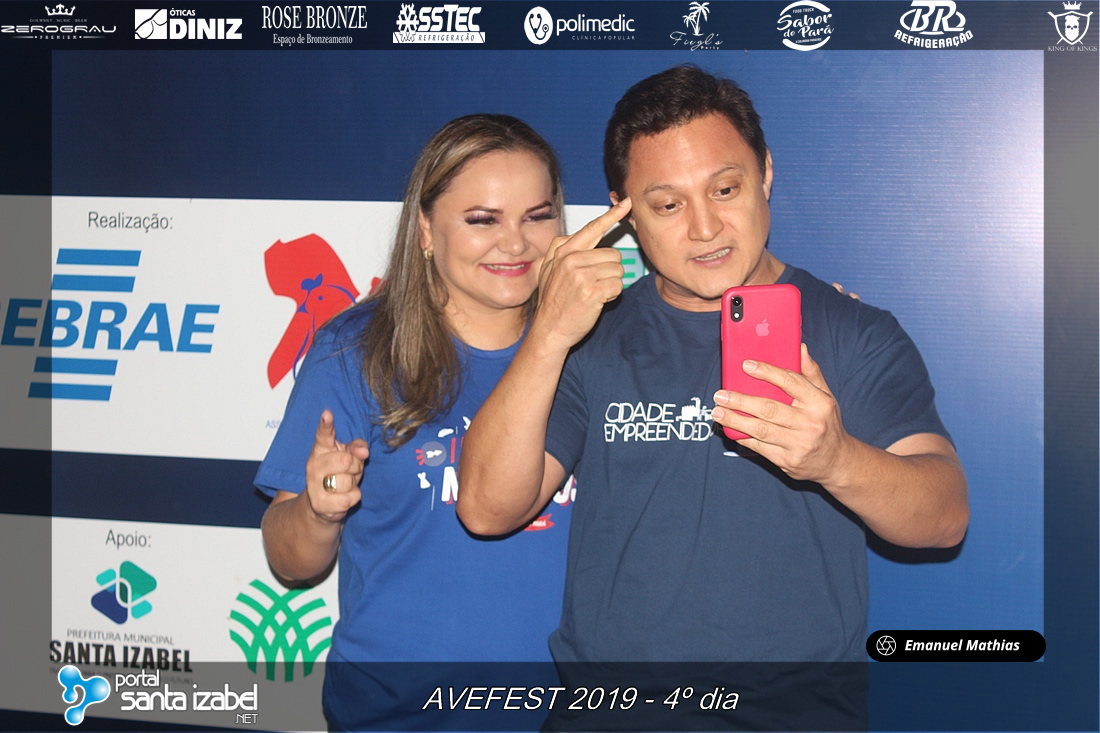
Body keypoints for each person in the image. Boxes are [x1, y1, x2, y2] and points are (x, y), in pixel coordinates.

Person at [457, 66, 968, 724]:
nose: (705, 228)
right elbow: (487, 509)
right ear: (623, 211)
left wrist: (837, 459)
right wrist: (548, 334)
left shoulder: (852, 332)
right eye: (667, 204)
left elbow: (945, 516)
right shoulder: (592, 336)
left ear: (766, 173)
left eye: (725, 189)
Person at [254, 114, 575, 731]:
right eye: (482, 219)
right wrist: (319, 512)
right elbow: (290, 561)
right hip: (398, 716)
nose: (515, 244)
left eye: (537, 216)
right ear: (426, 229)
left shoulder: (595, 346)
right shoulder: (355, 351)